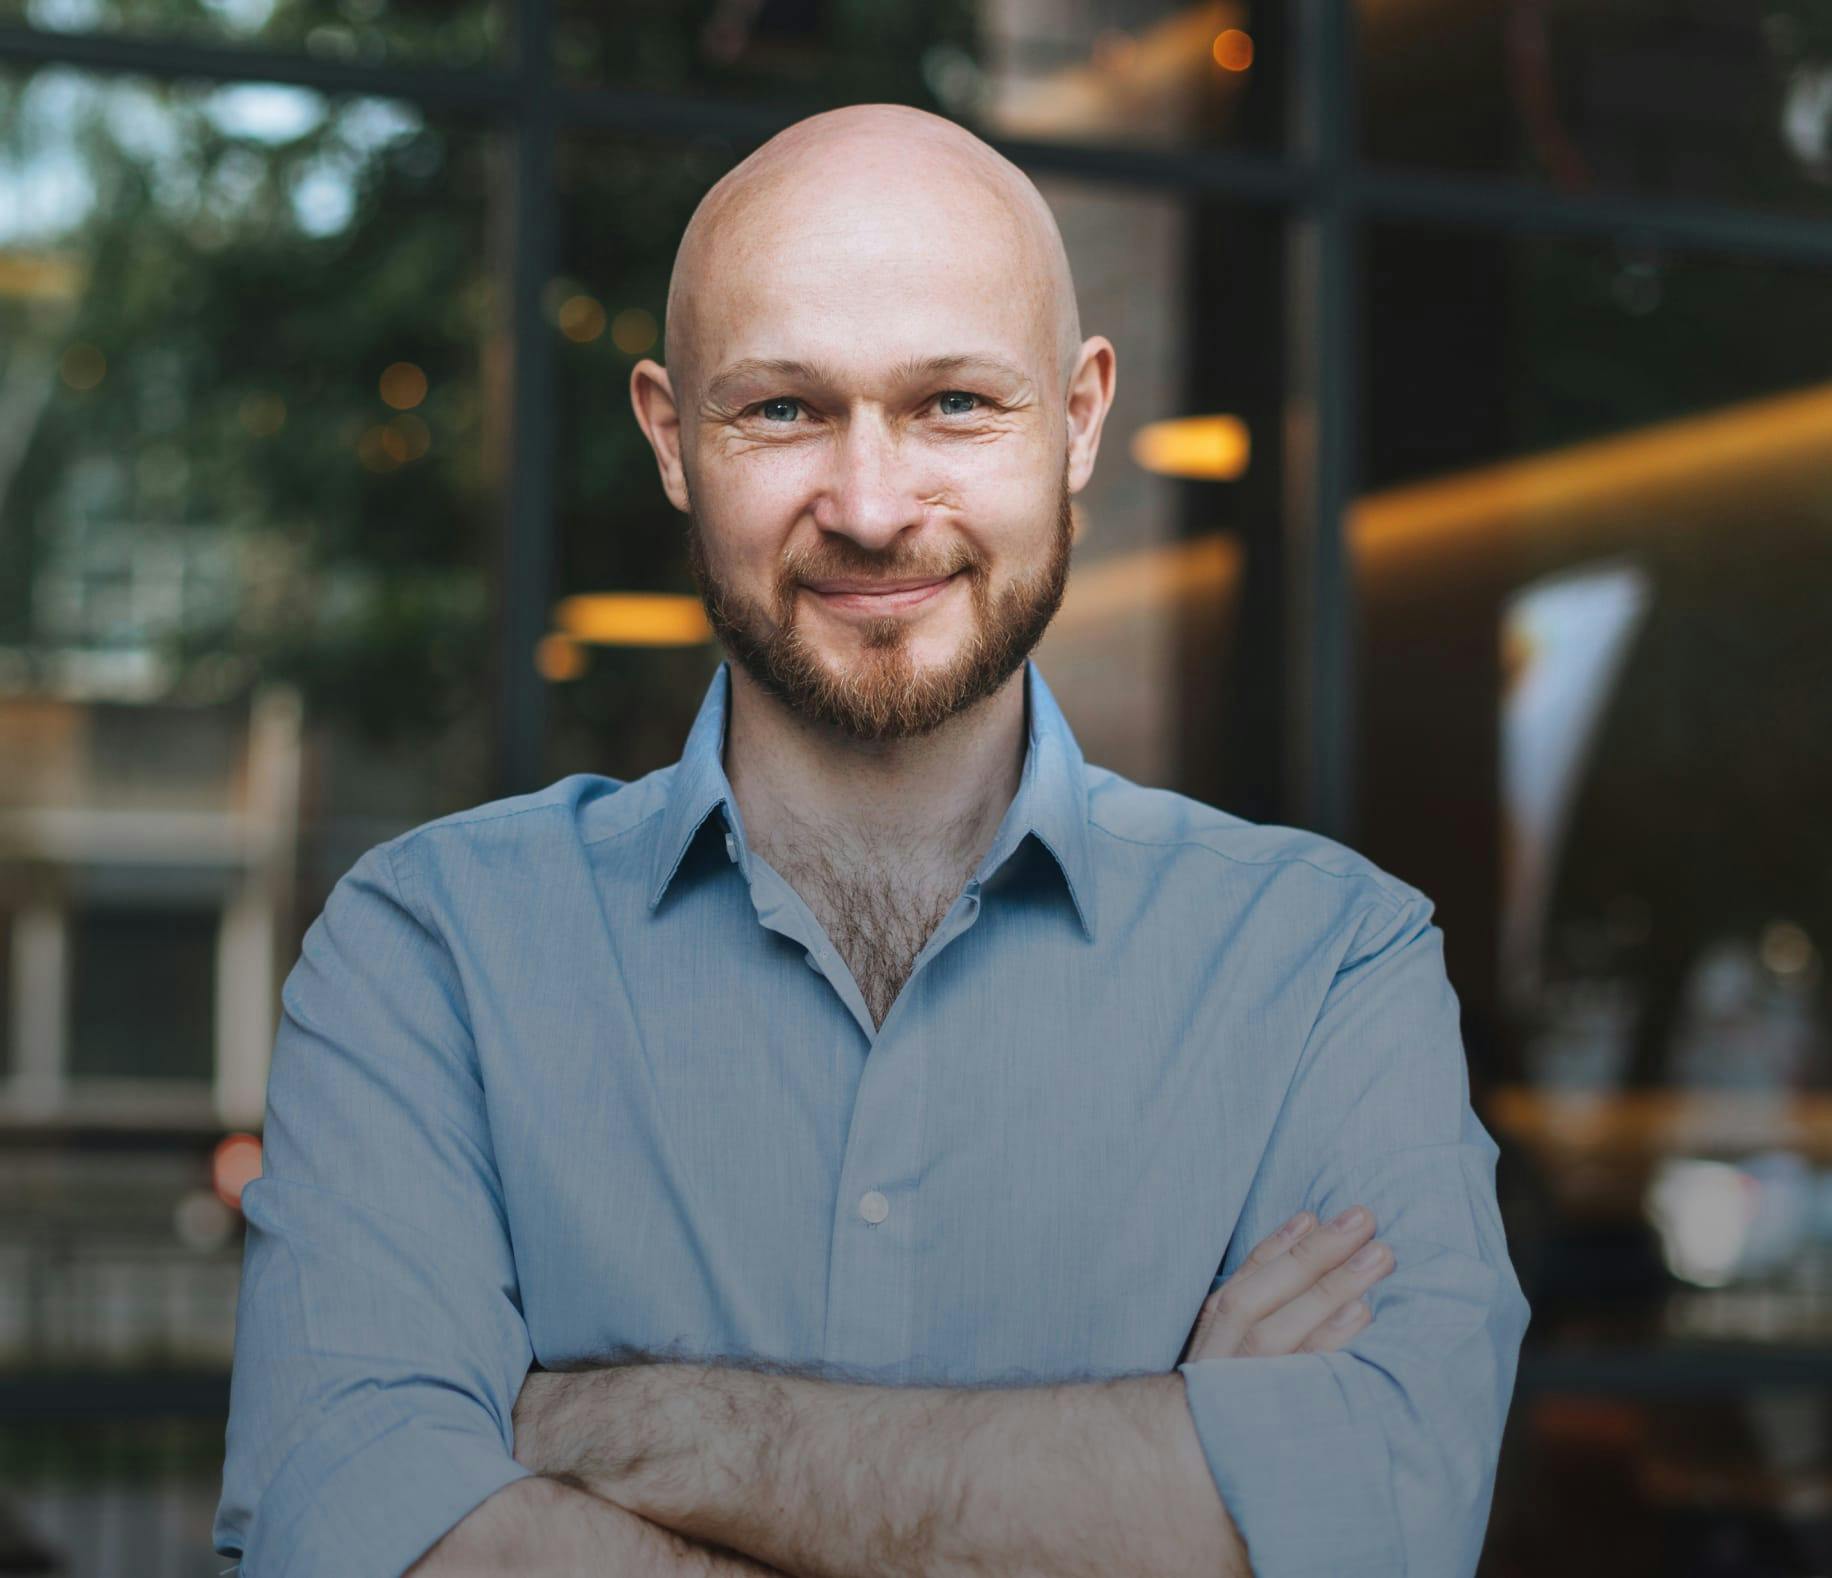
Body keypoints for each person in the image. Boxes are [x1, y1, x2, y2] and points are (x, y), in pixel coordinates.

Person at [213, 102, 1530, 1578]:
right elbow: (351, 1538)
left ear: (1083, 418)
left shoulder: (1328, 965)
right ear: (669, 437)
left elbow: (1385, 1527)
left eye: (955, 403)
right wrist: (1161, 1471)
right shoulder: (429, 954)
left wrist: (635, 1431)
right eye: (782, 408)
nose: (872, 504)